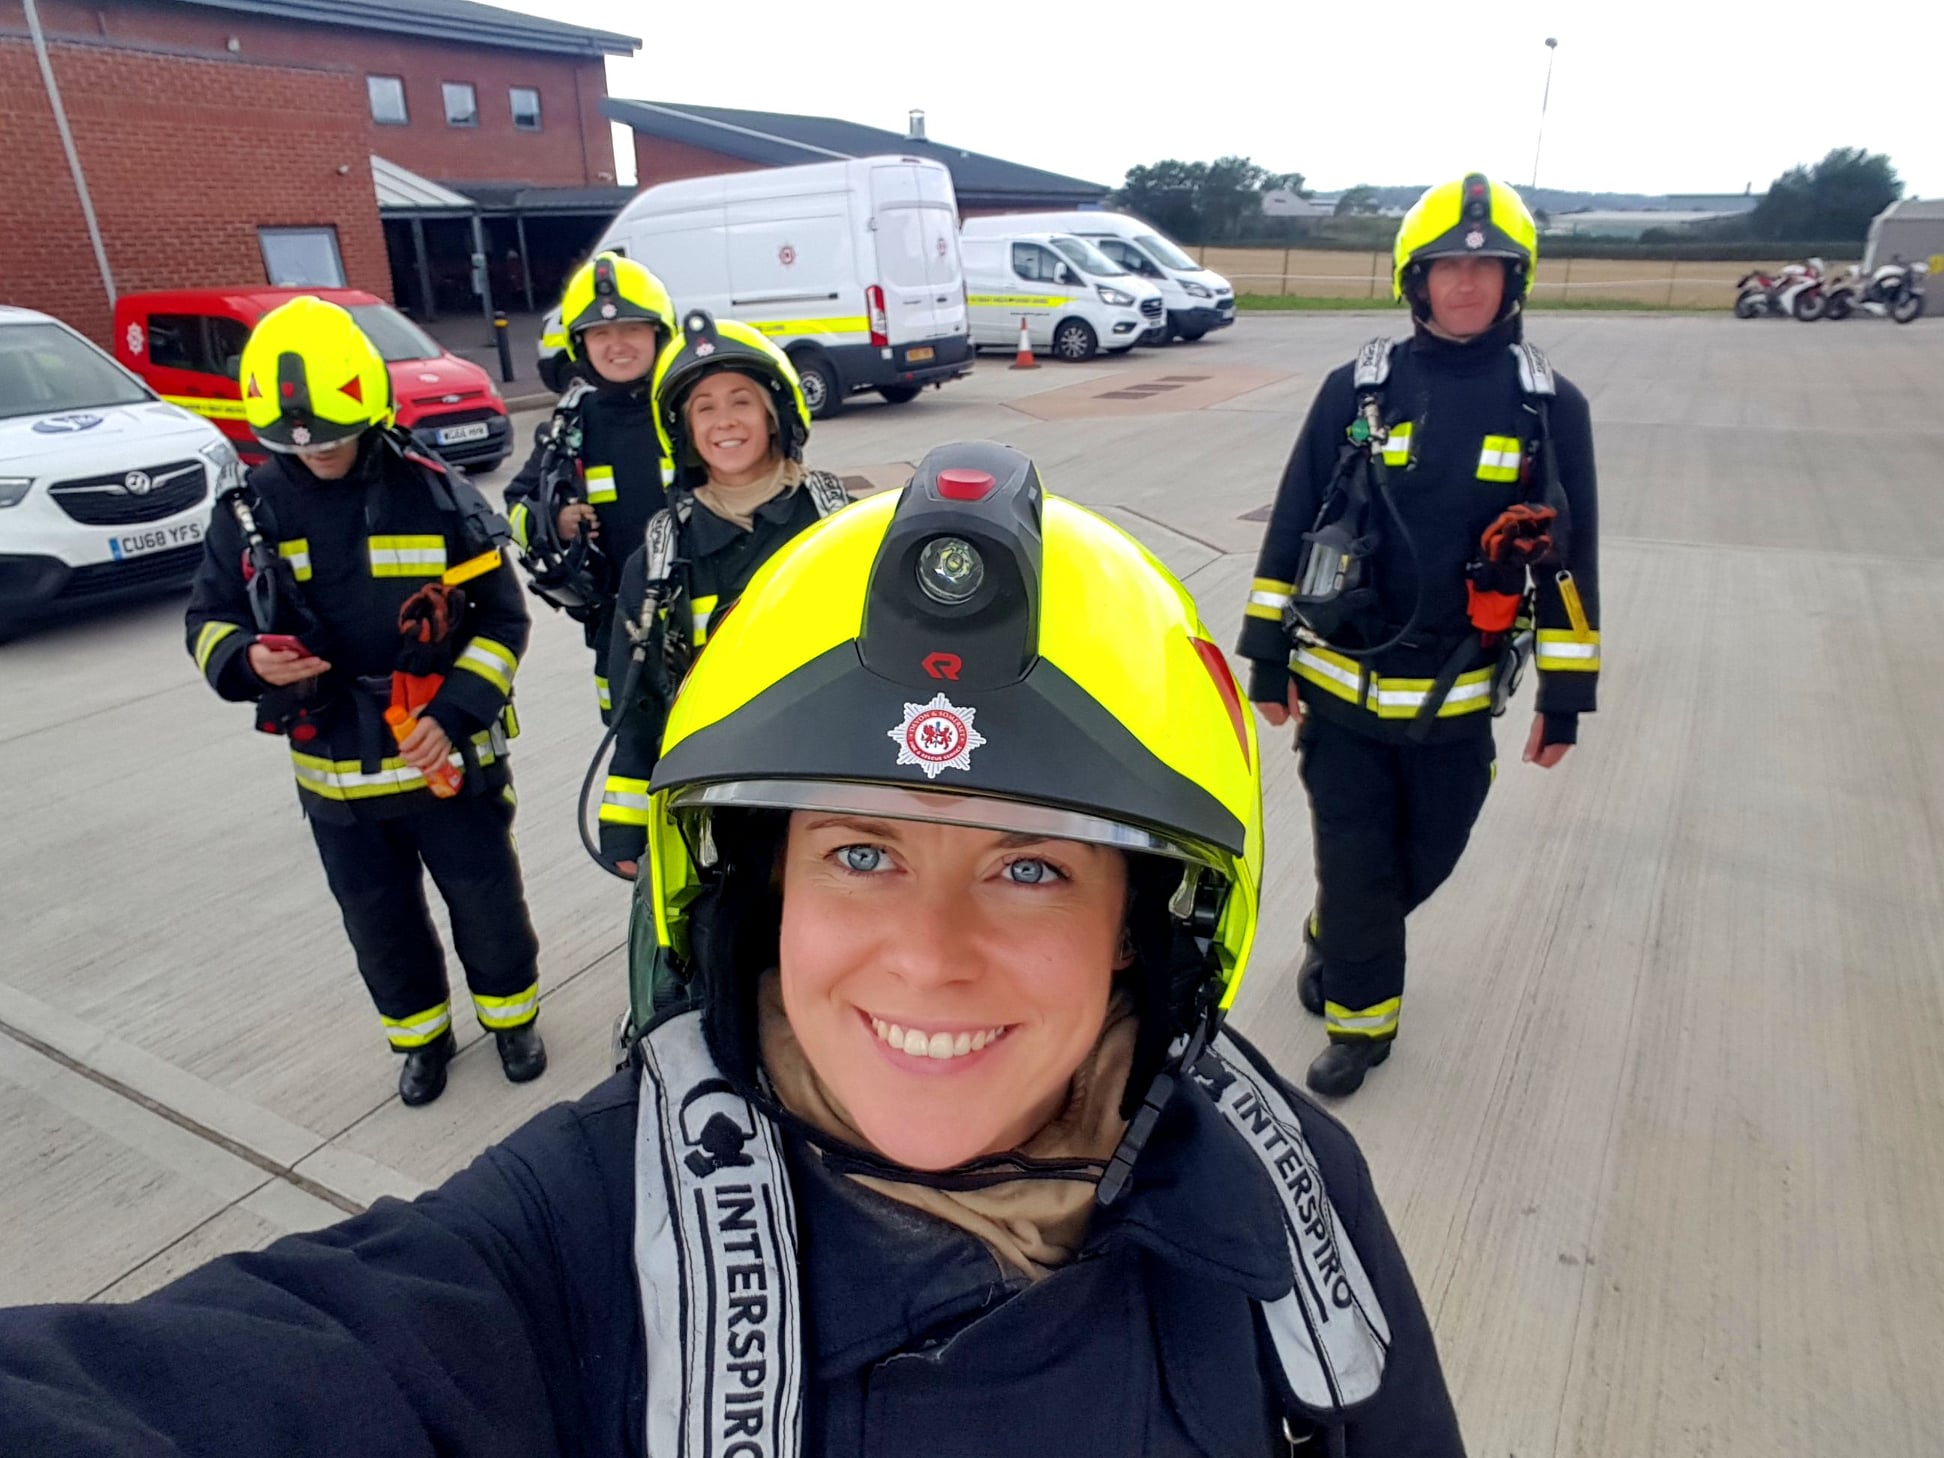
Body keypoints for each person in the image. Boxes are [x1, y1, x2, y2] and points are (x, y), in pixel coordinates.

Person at [2, 442, 1465, 1456]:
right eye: (862, 853)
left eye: (1030, 865)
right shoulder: (579, 1240)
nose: (927, 955)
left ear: (1147, 932)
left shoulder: (1281, 1191)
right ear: (756, 894)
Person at [1236, 173, 1601, 1097]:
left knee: (1424, 857)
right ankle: (1363, 1027)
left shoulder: (1551, 409)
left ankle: (1338, 932)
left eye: (1488, 268)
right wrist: (1268, 654)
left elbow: (1568, 564)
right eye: (1448, 266)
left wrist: (1564, 698)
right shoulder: (1355, 391)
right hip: (1343, 697)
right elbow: (1291, 527)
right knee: (1356, 854)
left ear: (1515, 282)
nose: (1467, 284)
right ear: (1417, 278)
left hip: (1459, 701)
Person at [182, 296, 544, 1108]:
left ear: (370, 409)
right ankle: (420, 1041)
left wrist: (451, 716)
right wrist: (247, 659)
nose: (321, 455)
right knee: (378, 922)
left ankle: (512, 1019)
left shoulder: (435, 493)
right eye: (298, 445)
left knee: (487, 902)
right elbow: (208, 621)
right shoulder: (250, 511)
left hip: (448, 761)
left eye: (338, 437)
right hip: (337, 773)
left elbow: (503, 619)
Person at [593, 308, 848, 876]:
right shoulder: (658, 561)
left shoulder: (840, 527)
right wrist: (626, 827)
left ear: (776, 414)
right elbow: (637, 708)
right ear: (683, 432)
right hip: (718, 807)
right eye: (703, 407)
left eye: (741, 400)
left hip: (837, 791)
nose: (724, 421)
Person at [505, 251, 674, 724]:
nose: (617, 344)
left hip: (705, 622)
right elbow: (516, 507)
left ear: (659, 333)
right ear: (581, 344)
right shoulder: (571, 425)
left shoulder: (687, 406)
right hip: (613, 629)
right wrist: (555, 523)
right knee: (633, 757)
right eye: (601, 333)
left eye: (631, 329)